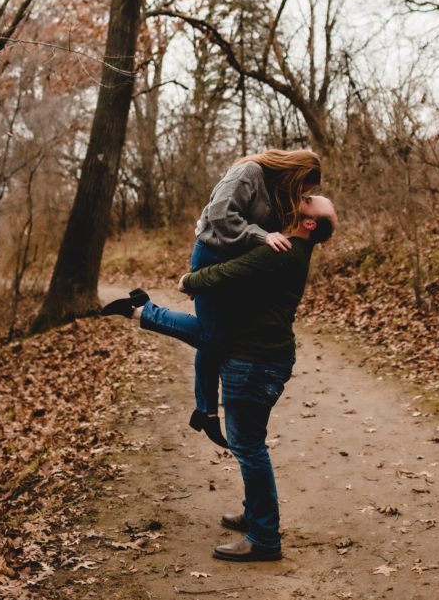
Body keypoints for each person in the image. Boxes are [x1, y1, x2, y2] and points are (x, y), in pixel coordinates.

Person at [103, 194, 338, 562]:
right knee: (250, 440)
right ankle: (255, 514)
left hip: (254, 364)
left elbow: (226, 273)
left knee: (248, 447)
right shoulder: (291, 250)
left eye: (309, 200)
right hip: (263, 358)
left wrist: (189, 279)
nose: (300, 198)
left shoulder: (283, 250)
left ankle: (264, 538)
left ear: (310, 224)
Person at [106, 149, 321, 449]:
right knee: (212, 336)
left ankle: (204, 410)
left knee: (217, 337)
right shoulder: (249, 173)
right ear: (294, 173)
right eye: (302, 188)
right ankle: (143, 312)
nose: (300, 195)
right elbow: (220, 215)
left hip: (229, 266)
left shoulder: (276, 191)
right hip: (212, 257)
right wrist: (259, 237)